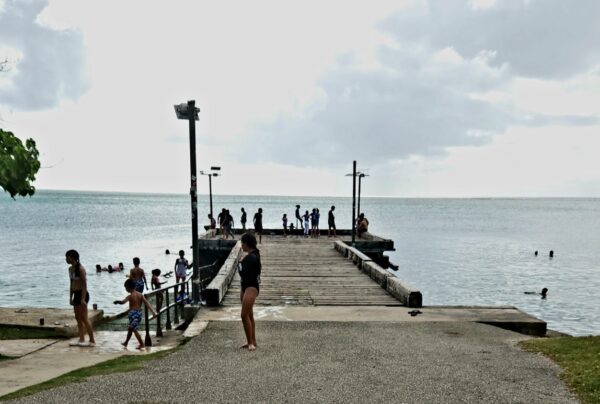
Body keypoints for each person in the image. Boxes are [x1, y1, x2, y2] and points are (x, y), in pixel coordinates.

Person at [114, 279, 157, 350]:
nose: (125, 289)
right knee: (130, 328)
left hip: (133, 315)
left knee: (134, 329)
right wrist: (153, 312)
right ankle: (126, 342)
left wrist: (117, 302)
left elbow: (123, 302)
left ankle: (142, 344)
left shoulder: (130, 296)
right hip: (139, 314)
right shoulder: (140, 295)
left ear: (128, 287)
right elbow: (147, 303)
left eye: (125, 288)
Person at [66, 249, 96, 347]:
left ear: (72, 258)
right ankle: (81, 339)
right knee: (77, 317)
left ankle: (92, 340)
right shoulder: (70, 269)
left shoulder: (81, 269)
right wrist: (70, 298)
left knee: (84, 318)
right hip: (75, 294)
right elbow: (71, 284)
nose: (66, 259)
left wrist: (83, 299)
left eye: (67, 257)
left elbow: (84, 285)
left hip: (82, 294)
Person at [238, 232, 261, 351]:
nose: (241, 245)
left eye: (242, 243)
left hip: (251, 287)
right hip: (244, 286)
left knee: (244, 315)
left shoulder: (252, 257)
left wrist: (241, 262)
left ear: (247, 244)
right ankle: (252, 341)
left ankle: (250, 343)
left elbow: (242, 272)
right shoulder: (253, 254)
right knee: (249, 314)